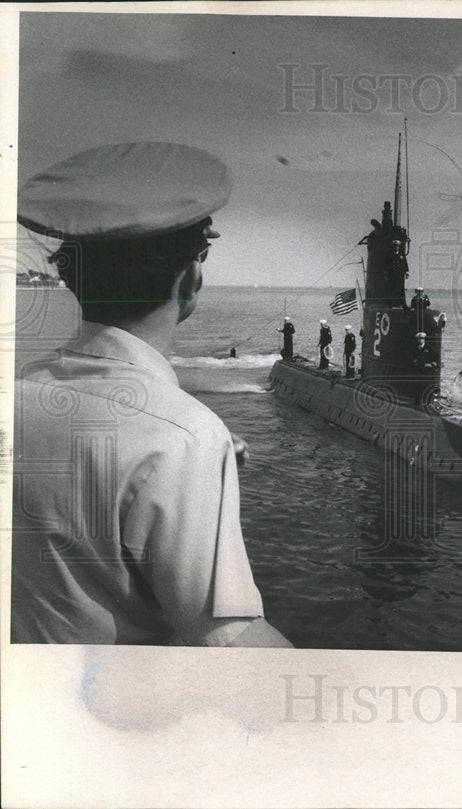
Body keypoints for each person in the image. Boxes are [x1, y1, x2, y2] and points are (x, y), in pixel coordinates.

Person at [11, 141, 291, 647]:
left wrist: (181, 449)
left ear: (72, 277)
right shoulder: (183, 439)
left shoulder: (20, 391)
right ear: (191, 277)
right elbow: (229, 644)